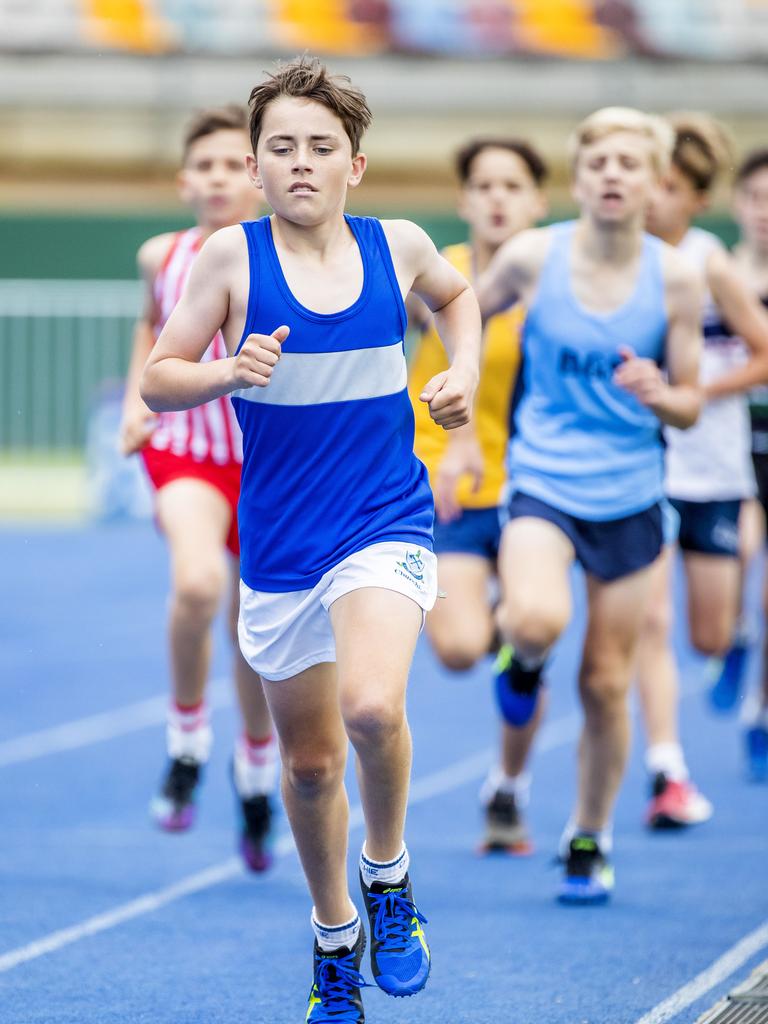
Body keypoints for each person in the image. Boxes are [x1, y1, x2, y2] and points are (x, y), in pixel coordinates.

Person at [140, 56, 480, 1023]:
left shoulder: (400, 245)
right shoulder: (229, 262)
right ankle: (334, 937)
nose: (300, 163)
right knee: (311, 764)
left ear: (354, 165)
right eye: (281, 148)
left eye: (320, 147)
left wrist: (462, 372)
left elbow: (459, 301)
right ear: (254, 168)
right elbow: (160, 377)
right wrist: (225, 372)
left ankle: (389, 879)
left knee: (374, 710)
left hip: (384, 516)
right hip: (283, 540)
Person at [474, 107, 703, 903]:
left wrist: (661, 393)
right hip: (543, 476)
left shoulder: (675, 276)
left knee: (607, 682)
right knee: (534, 618)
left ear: (653, 183)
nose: (612, 174)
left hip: (632, 494)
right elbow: (458, 310)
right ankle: (523, 660)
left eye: (628, 164)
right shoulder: (534, 255)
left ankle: (589, 835)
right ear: (577, 179)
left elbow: (691, 405)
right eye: (598, 161)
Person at [120, 105, 277, 871]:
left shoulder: (278, 250)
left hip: (270, 460)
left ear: (255, 175)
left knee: (256, 626)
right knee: (196, 583)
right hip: (188, 449)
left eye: (230, 165)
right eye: (203, 167)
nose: (217, 178)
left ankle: (254, 766)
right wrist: (131, 405)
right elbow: (152, 332)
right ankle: (186, 740)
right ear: (185, 180)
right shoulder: (163, 255)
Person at [407, 136, 548, 853]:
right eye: (483, 185)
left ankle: (508, 790)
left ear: (538, 202)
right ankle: (513, 634)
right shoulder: (436, 275)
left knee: (532, 629)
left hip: (536, 487)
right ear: (463, 200)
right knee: (461, 648)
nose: (497, 197)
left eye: (513, 185)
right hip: (448, 482)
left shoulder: (558, 280)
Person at [638, 115, 768, 822]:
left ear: (694, 198)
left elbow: (764, 352)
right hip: (645, 469)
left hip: (713, 467)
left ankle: (739, 642)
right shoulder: (619, 260)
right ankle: (668, 768)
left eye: (670, 188)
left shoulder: (711, 263)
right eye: (648, 184)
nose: (652, 198)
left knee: (706, 637)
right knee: (649, 621)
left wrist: (695, 391)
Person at [730, 147, 768, 781]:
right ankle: (732, 634)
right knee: (738, 554)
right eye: (756, 199)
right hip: (732, 445)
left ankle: (761, 703)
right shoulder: (716, 273)